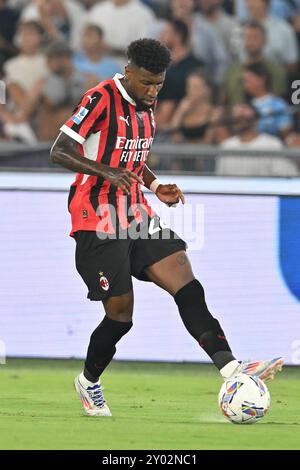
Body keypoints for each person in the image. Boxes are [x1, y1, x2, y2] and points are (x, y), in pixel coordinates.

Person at [50, 38, 283, 417]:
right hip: (97, 219)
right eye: (146, 83)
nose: (153, 91)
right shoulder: (99, 99)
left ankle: (232, 368)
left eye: (158, 84)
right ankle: (89, 381)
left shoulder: (148, 104)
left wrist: (156, 186)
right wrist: (108, 173)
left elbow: (133, 157)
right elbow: (58, 150)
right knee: (121, 315)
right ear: (128, 71)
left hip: (137, 214)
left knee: (186, 282)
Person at [216, 103, 298, 176]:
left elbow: (286, 176)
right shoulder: (226, 146)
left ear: (256, 120)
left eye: (244, 118)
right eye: (237, 118)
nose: (240, 121)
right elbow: (220, 179)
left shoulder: (272, 144)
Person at [222, 21, 287, 106]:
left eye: (255, 37)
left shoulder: (276, 71)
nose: (251, 41)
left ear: (265, 40)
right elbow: (225, 101)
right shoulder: (232, 72)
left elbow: (279, 100)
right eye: (247, 37)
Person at [243, 63, 293, 139]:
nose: (246, 85)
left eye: (248, 80)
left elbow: (286, 135)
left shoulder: (278, 104)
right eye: (244, 82)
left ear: (261, 79)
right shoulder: (244, 106)